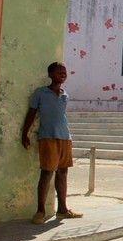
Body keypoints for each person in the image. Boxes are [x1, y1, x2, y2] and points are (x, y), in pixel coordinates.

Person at [21, 62, 83, 224]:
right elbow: (32, 113)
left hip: (65, 138)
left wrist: (68, 137)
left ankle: (62, 209)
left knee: (63, 173)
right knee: (47, 172)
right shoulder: (40, 93)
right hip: (47, 138)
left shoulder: (65, 95)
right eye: (58, 72)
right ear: (50, 75)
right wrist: (24, 133)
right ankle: (40, 211)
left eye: (64, 72)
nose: (62, 74)